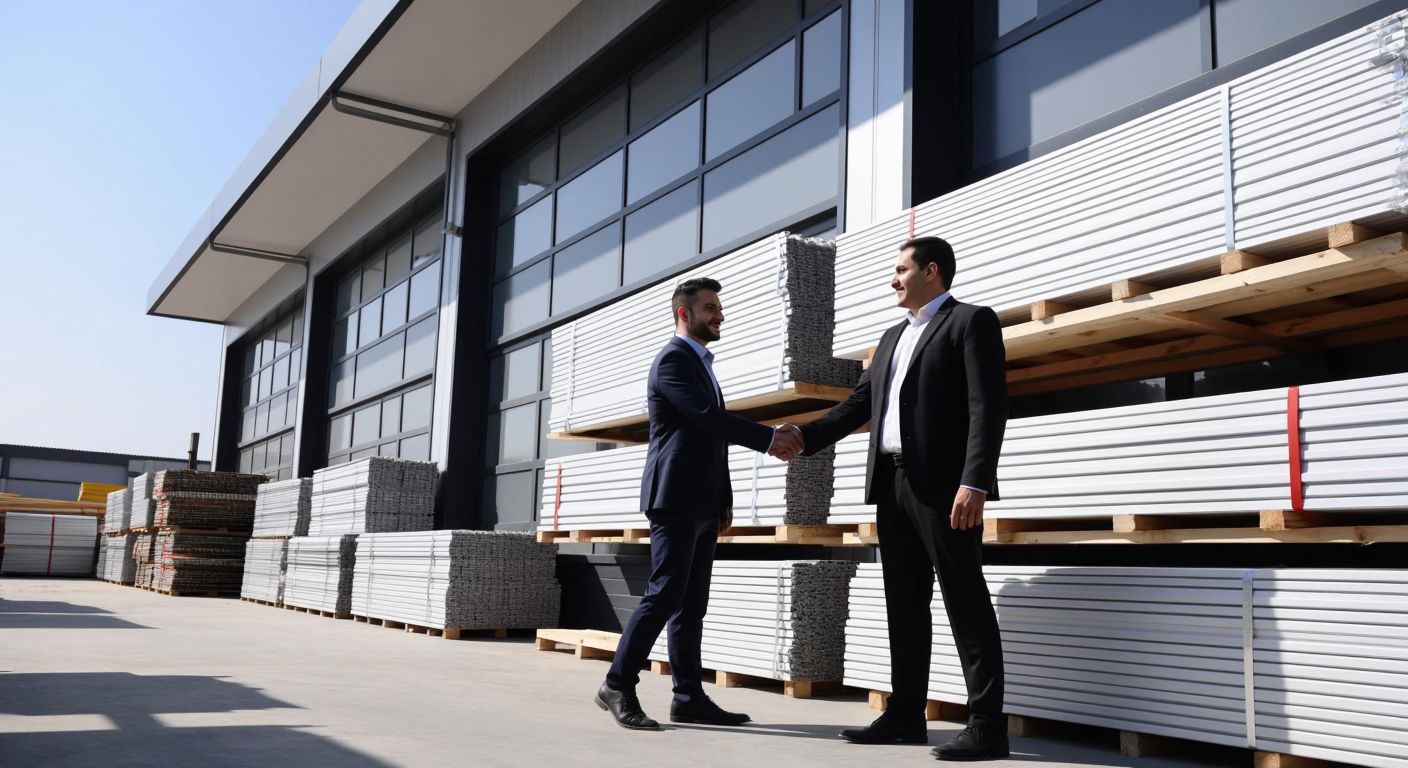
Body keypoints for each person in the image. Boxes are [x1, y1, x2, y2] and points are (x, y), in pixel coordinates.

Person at [783, 237, 1009, 761]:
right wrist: (802, 437)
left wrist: (975, 482)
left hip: (946, 489)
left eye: (901, 270)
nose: (893, 280)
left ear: (931, 271)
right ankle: (906, 715)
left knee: (965, 602)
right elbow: (857, 406)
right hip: (893, 485)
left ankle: (987, 727)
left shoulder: (970, 322)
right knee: (904, 605)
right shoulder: (890, 338)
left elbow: (988, 406)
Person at [595, 277, 803, 730]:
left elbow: (710, 440)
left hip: (703, 501)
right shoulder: (672, 360)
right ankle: (617, 684)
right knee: (664, 593)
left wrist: (723, 498)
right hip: (673, 497)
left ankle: (688, 696)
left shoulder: (701, 364)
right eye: (710, 308)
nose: (719, 315)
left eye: (719, 308)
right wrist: (769, 438)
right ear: (684, 313)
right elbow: (707, 418)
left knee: (692, 604)